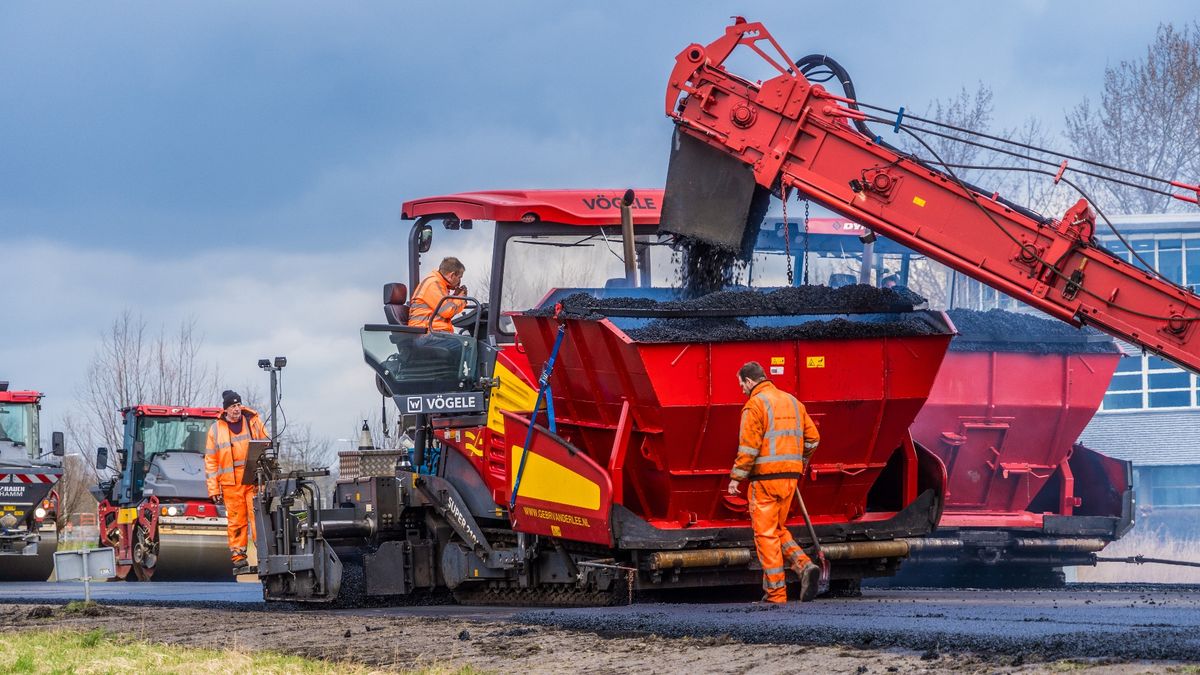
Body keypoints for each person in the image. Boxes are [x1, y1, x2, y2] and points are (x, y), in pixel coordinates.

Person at [727, 361, 822, 603]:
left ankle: (775, 594)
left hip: (765, 481)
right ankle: (803, 565)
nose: (741, 390)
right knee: (777, 529)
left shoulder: (754, 405)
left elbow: (748, 447)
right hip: (790, 479)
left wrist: (736, 478)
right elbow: (813, 439)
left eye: (741, 385)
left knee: (765, 535)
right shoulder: (792, 401)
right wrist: (798, 461)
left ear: (750, 381)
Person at [204, 390, 267, 574]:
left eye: (238, 405)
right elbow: (211, 461)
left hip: (253, 479)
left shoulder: (253, 421)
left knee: (258, 518)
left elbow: (266, 444)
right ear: (226, 409)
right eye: (233, 406)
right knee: (237, 522)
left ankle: (263, 553)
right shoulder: (216, 429)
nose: (236, 409)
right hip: (231, 484)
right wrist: (213, 489)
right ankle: (239, 558)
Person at [408, 257, 468, 332]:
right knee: (465, 343)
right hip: (425, 332)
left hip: (432, 330)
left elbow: (446, 308)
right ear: (452, 275)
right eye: (459, 277)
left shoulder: (440, 285)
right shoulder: (433, 284)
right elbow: (448, 311)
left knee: (466, 341)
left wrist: (456, 296)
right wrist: (462, 299)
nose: (459, 281)